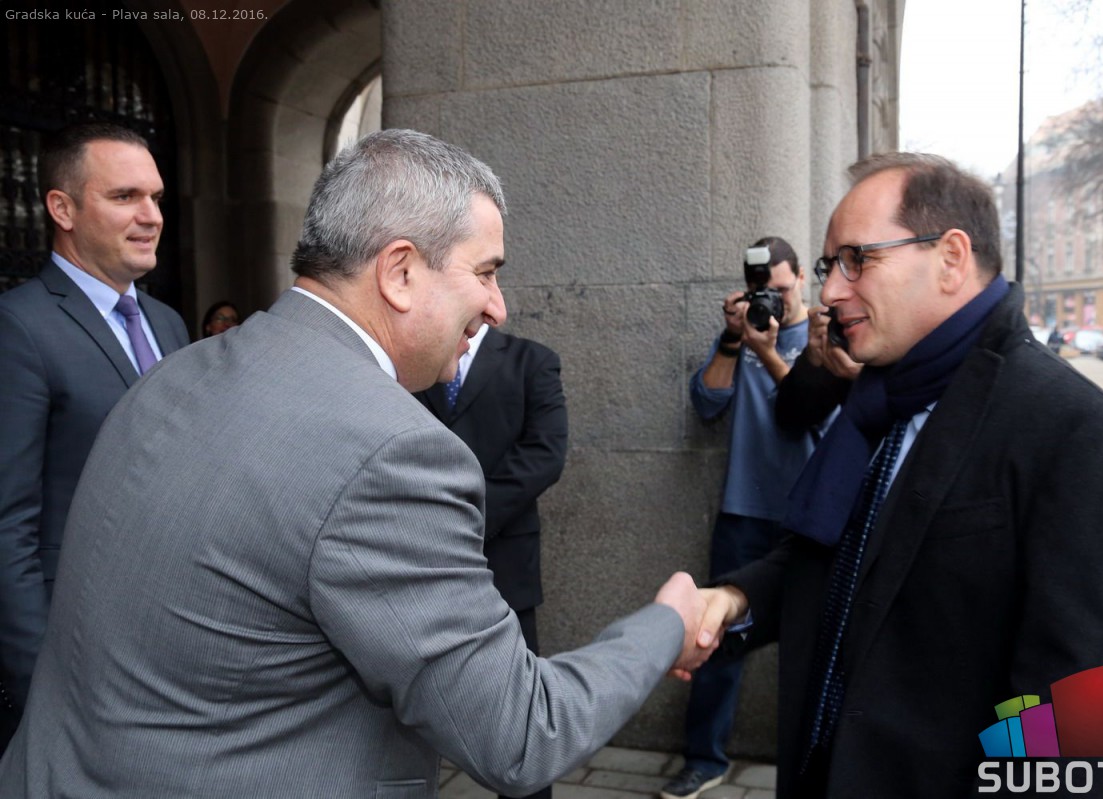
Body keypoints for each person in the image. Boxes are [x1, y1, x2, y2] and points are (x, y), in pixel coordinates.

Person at [0, 129, 716, 799]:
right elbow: (522, 734)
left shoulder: (176, 370)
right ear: (399, 272)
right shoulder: (392, 453)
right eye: (486, 272)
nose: (498, 307)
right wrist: (665, 626)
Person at [696, 153, 1103, 797]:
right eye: (829, 266)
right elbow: (837, 560)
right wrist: (733, 601)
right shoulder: (879, 397)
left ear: (951, 258)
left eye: (857, 260)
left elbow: (1089, 726)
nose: (831, 293)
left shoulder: (1085, 438)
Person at [0, 122, 190, 752]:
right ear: (63, 209)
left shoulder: (167, 323)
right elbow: (7, 524)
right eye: (125, 196)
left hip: (172, 648)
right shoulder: (18, 328)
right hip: (73, 657)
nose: (151, 216)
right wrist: (38, 686)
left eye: (155, 198)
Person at [661, 237, 816, 799]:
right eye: (761, 292)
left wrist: (770, 352)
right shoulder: (745, 333)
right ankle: (705, 759)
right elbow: (707, 403)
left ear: (801, 278)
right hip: (743, 510)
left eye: (781, 289)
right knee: (718, 635)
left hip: (809, 515)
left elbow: (810, 415)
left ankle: (810, 765)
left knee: (811, 645)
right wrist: (733, 339)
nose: (772, 301)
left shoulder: (823, 338)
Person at [414, 325, 567, 799]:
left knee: (518, 710)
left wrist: (467, 517)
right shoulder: (414, 358)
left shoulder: (533, 361)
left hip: (505, 558)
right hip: (418, 554)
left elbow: (545, 454)